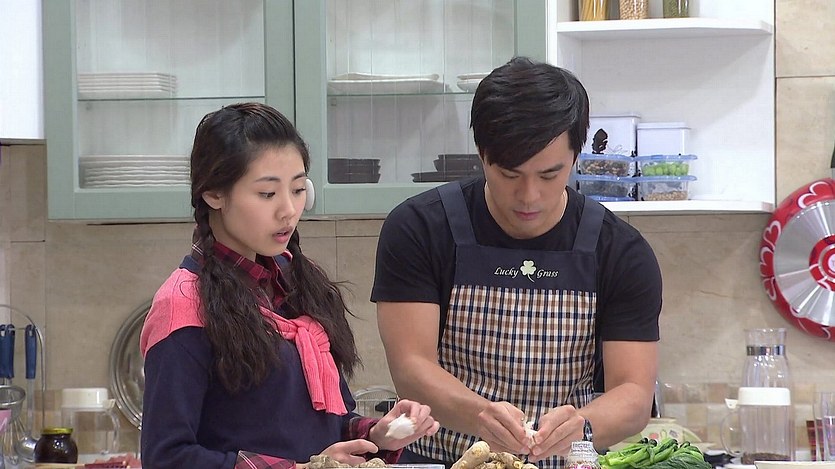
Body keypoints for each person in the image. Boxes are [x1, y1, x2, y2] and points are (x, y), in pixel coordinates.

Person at [372, 57, 662, 469]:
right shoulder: (420, 228)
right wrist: (480, 414)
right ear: (481, 154)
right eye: (510, 174)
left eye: (549, 175)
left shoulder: (620, 250)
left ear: (575, 156)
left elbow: (633, 394)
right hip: (443, 459)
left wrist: (582, 425)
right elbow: (411, 366)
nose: (529, 196)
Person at [140, 102, 439, 469]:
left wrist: (376, 434)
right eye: (267, 194)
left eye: (298, 190)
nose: (288, 210)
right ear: (214, 193)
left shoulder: (297, 282)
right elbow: (167, 457)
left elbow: (327, 426)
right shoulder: (184, 305)